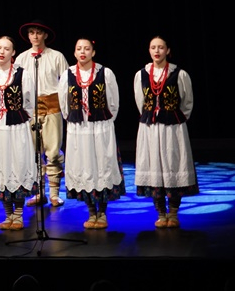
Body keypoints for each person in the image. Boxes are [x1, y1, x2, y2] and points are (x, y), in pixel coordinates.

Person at [57, 38, 125, 229]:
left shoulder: (105, 73)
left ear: (93, 52)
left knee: (101, 166)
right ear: (74, 52)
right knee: (84, 167)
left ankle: (102, 213)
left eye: (87, 49)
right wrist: (75, 119)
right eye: (79, 49)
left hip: (100, 127)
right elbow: (64, 104)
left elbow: (113, 102)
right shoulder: (68, 74)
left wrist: (104, 121)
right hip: (79, 129)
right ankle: (91, 212)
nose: (83, 52)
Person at [133, 35, 198, 228]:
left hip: (173, 128)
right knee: (154, 166)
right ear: (149, 50)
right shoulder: (141, 74)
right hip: (150, 129)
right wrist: (150, 115)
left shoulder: (180, 74)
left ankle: (174, 212)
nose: (157, 51)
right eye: (153, 47)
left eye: (161, 47)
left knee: (173, 166)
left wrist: (175, 117)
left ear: (167, 50)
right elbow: (140, 101)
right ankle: (161, 213)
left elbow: (187, 102)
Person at [0, 36, 38, 231]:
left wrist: (17, 116)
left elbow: (29, 102)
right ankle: (8, 214)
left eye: (6, 49)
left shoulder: (23, 74)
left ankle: (18, 214)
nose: (2, 52)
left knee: (17, 165)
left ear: (13, 53)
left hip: (16, 128)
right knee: (0, 166)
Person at [15, 19, 69, 207]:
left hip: (52, 106)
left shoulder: (56, 56)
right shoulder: (22, 58)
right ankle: (39, 192)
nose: (35, 36)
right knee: (34, 152)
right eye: (32, 33)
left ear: (45, 35)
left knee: (52, 151)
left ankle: (54, 193)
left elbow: (66, 83)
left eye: (38, 32)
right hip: (31, 109)